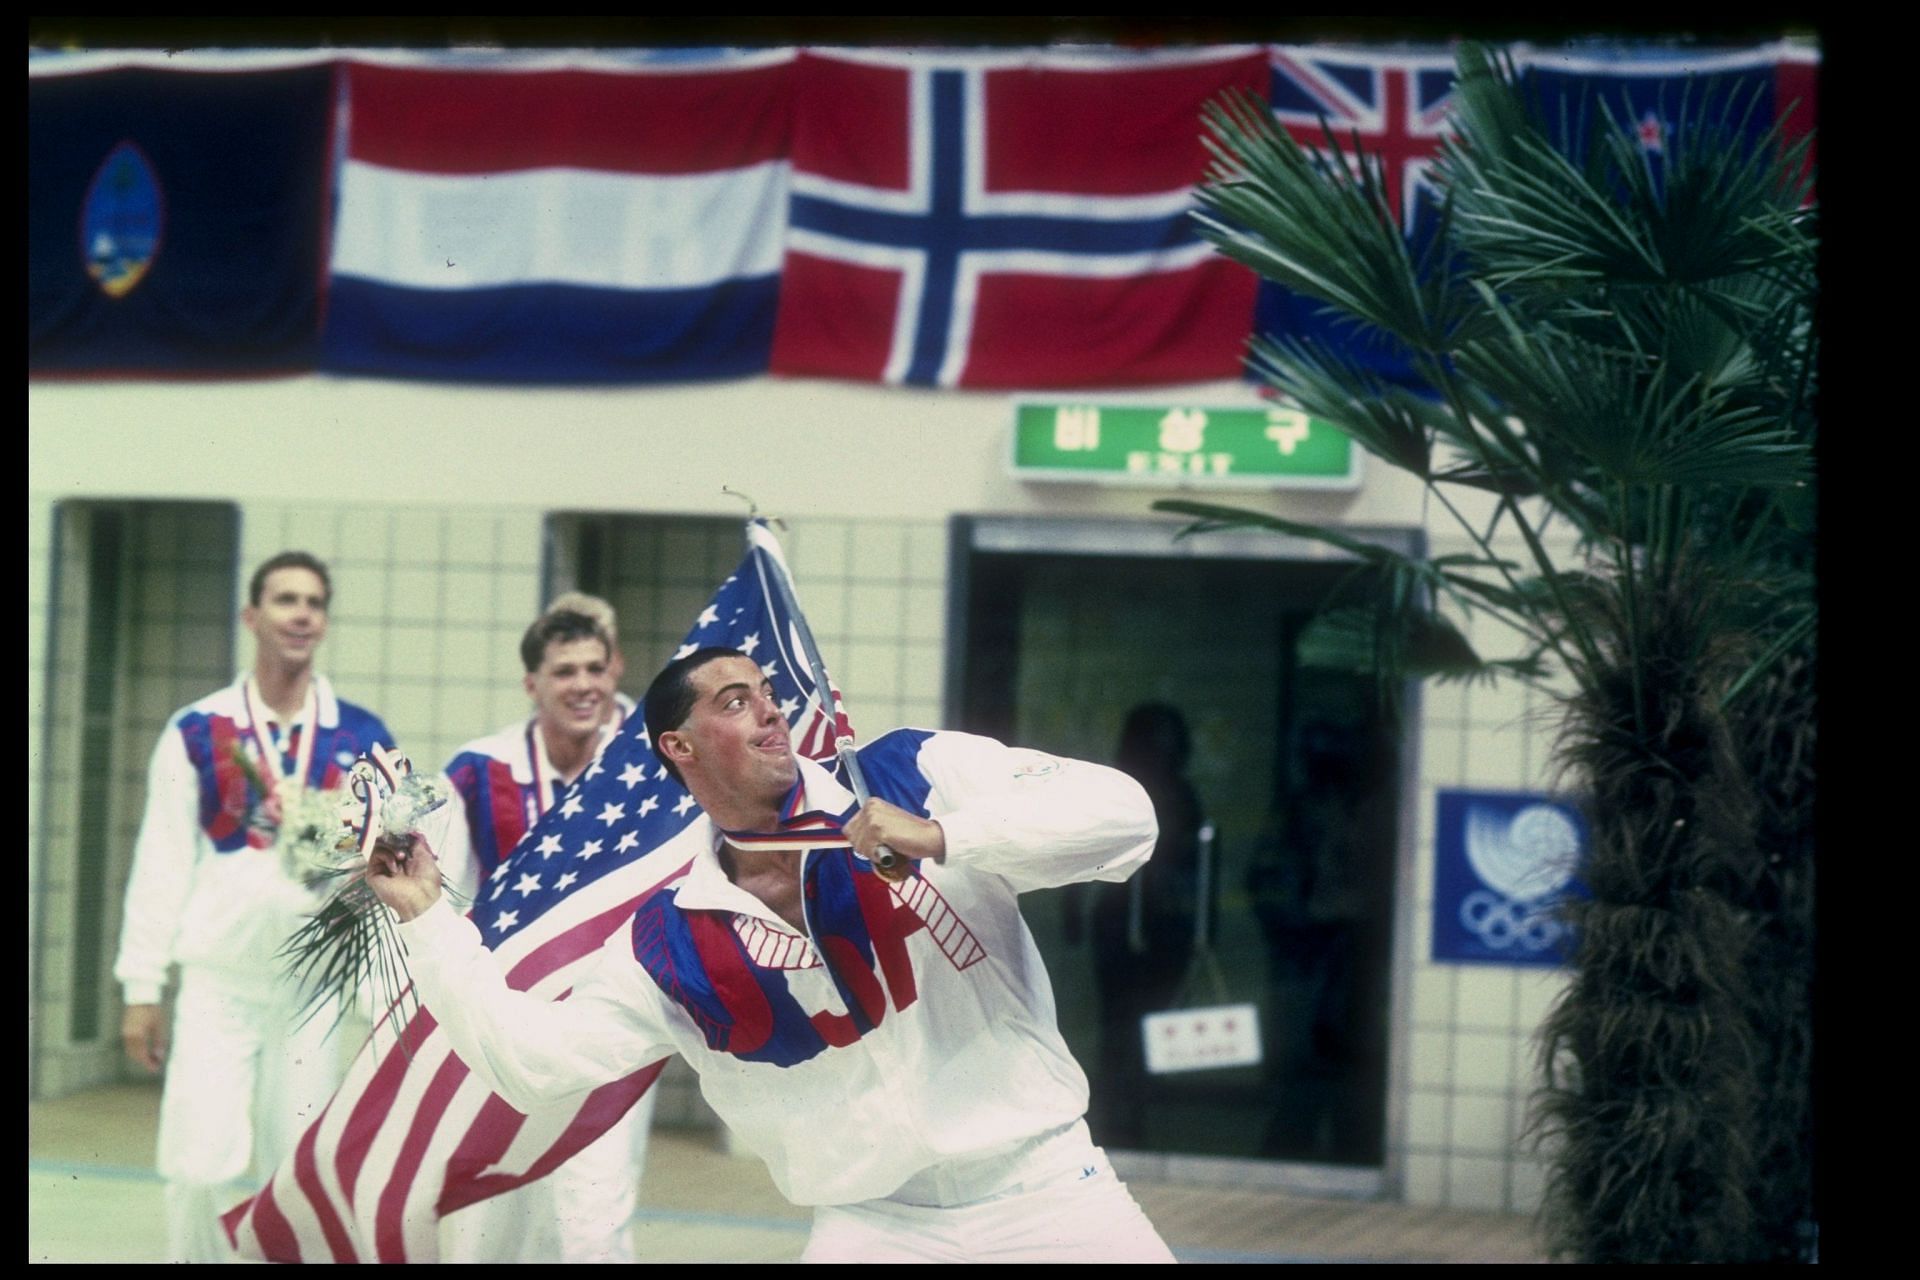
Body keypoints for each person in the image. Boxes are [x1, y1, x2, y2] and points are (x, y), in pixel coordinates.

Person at [370, 647, 1177, 1263]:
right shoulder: (669, 940)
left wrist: (946, 838)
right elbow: (530, 1062)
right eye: (736, 702)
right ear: (679, 747)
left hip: (1048, 1191)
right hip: (873, 1227)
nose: (771, 713)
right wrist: (424, 916)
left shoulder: (910, 774)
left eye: (769, 695)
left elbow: (1126, 817)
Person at [113, 551, 396, 1263]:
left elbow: (382, 876)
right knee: (197, 1163)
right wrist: (142, 988)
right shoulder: (198, 731)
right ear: (252, 617)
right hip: (220, 982)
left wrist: (378, 997)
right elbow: (162, 862)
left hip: (312, 992)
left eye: (314, 602)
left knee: (298, 1167)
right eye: (285, 600)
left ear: (323, 622)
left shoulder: (363, 736)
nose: (301, 613)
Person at [434, 603, 654, 1263]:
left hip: (613, 1024)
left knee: (592, 1224)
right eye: (564, 672)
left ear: (615, 668)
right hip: (506, 1023)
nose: (583, 684)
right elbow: (441, 898)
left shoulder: (653, 764)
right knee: (485, 1222)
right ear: (532, 684)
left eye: (595, 667)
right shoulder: (479, 771)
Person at [1070, 702, 1210, 1150]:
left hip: (1168, 924)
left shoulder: (1183, 796)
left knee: (1153, 1024)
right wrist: (1073, 910)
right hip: (1119, 922)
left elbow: (1199, 861)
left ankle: (1142, 1113)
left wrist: (1204, 927)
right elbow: (1080, 847)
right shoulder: (1117, 790)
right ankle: (1120, 1118)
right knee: (1119, 1024)